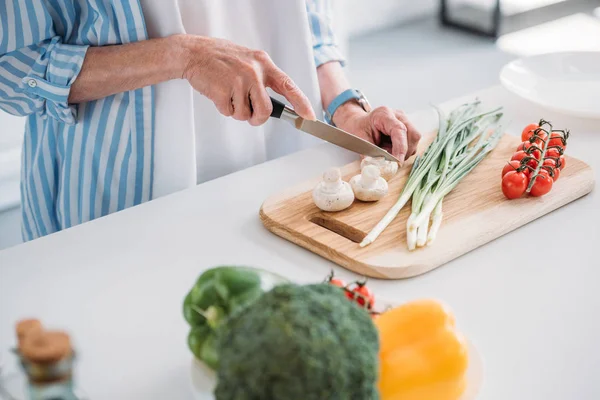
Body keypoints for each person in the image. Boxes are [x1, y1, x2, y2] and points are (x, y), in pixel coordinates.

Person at [0, 0, 421, 241]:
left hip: (283, 181)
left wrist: (345, 106)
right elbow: (13, 68)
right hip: (122, 205)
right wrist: (183, 56)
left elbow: (304, 14)